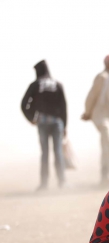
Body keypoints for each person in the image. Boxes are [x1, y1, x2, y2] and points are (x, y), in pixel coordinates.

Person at [21, 60, 67, 190]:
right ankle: (62, 182)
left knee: (45, 153)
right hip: (57, 123)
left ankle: (44, 184)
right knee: (58, 151)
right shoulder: (57, 84)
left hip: (42, 122)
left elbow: (24, 104)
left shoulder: (35, 85)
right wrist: (65, 125)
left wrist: (31, 118)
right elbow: (64, 107)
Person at [82, 54, 109, 184]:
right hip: (100, 115)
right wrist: (87, 112)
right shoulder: (102, 77)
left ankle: (106, 175)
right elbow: (92, 95)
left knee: (106, 145)